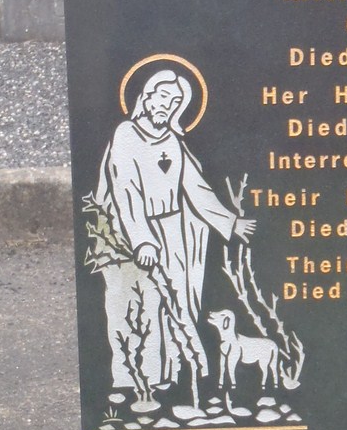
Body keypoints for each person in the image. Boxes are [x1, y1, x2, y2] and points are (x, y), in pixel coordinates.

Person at [91, 67, 254, 396]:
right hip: (127, 237)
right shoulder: (125, 135)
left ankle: (163, 379)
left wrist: (229, 221)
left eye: (176, 101)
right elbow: (126, 192)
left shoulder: (173, 143)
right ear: (147, 96)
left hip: (171, 233)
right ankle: (130, 381)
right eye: (164, 96)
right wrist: (143, 241)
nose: (168, 105)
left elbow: (196, 188)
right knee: (130, 306)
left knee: (166, 307)